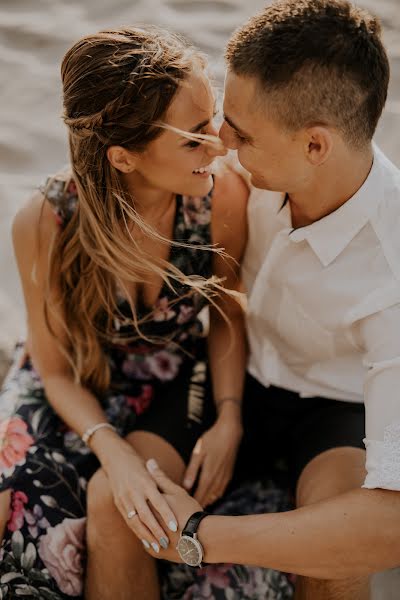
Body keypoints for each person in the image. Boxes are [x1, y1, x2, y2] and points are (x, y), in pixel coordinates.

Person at [143, 1, 400, 599]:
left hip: (334, 409)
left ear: (315, 146)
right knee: (118, 500)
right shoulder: (248, 176)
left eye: (242, 132)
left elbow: (391, 523)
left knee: (339, 563)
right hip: (235, 367)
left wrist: (201, 534)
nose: (219, 142)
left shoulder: (394, 271)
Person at [0, 26, 249, 599]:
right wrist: (114, 452)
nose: (218, 145)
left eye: (211, 120)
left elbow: (228, 314)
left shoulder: (221, 196)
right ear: (124, 157)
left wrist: (230, 415)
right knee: (15, 493)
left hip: (172, 381)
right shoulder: (45, 222)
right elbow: (53, 368)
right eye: (192, 138)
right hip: (71, 381)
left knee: (137, 509)